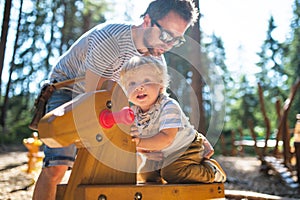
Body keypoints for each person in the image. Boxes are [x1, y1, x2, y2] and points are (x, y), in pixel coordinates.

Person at [32, 0, 199, 199]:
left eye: (177, 40)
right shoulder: (110, 39)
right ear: (147, 21)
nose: (169, 45)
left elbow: (155, 107)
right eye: (165, 35)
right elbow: (92, 96)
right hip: (69, 91)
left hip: (110, 102)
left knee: (116, 170)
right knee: (58, 167)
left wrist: (152, 141)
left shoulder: (155, 60)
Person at [119, 56, 227, 184]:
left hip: (185, 148)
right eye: (132, 83)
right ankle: (163, 187)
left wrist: (140, 142)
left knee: (173, 173)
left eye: (146, 80)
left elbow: (166, 138)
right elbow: (137, 141)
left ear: (160, 85)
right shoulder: (134, 113)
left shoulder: (168, 106)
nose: (139, 87)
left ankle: (211, 171)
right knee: (145, 174)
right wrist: (139, 146)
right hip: (164, 153)